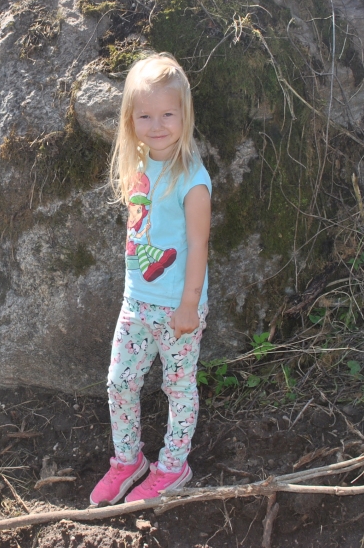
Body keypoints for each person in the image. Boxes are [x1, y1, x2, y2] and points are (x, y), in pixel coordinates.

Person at [90, 53, 212, 505]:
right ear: (130, 118)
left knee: (178, 386)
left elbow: (198, 246)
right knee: (120, 382)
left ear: (184, 115)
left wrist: (188, 304)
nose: (157, 124)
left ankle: (172, 467)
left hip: (178, 306)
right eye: (145, 115)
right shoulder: (139, 167)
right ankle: (128, 461)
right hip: (137, 301)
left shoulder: (193, 180)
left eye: (167, 114)